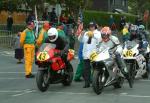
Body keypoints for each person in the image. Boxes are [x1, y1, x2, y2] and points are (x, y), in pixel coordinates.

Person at [78, 22, 102, 88]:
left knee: (95, 69)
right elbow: (80, 40)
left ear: (95, 27)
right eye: (90, 26)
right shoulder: (86, 33)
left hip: (94, 54)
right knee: (86, 69)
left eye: (92, 26)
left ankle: (95, 81)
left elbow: (100, 40)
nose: (91, 27)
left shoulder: (98, 33)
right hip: (86, 54)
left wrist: (93, 35)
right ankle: (87, 83)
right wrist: (82, 35)